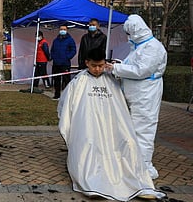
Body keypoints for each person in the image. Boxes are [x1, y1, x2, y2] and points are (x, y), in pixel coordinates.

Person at [58, 48, 165, 201]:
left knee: (128, 142)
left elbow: (119, 105)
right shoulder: (78, 82)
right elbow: (68, 108)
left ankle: (136, 183)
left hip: (112, 124)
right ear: (87, 63)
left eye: (101, 66)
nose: (97, 69)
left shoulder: (112, 80)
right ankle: (91, 181)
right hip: (88, 125)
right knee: (89, 143)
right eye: (94, 65)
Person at [105, 14, 167, 180]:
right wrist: (118, 66)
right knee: (131, 130)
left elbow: (141, 70)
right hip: (136, 95)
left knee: (143, 131)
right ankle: (131, 163)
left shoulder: (153, 48)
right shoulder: (140, 47)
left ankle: (143, 168)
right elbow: (132, 66)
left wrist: (116, 69)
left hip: (145, 96)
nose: (127, 37)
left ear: (135, 31)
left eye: (128, 33)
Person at [50, 25, 76, 100]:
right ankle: (57, 94)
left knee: (66, 80)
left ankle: (67, 96)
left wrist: (67, 57)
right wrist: (53, 57)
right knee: (56, 80)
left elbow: (73, 50)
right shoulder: (56, 40)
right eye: (61, 29)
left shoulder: (70, 40)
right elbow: (52, 50)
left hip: (65, 64)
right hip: (56, 64)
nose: (62, 30)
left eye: (64, 29)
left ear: (67, 30)